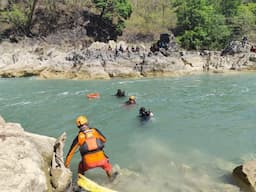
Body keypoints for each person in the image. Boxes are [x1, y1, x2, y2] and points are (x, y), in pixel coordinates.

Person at [65, 115, 117, 181]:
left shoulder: (78, 137)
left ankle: (80, 184)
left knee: (80, 167)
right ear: (87, 123)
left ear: (78, 127)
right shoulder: (95, 131)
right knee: (107, 164)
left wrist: (66, 165)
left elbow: (71, 153)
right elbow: (104, 140)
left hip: (88, 163)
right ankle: (111, 178)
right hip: (102, 160)